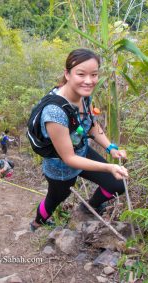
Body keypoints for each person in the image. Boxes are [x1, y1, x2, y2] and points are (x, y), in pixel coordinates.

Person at [29, 49, 129, 231]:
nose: (89, 81)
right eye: (81, 74)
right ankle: (38, 222)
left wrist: (110, 148)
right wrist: (109, 166)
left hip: (81, 151)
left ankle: (89, 207)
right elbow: (69, 159)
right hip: (61, 167)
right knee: (56, 198)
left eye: (94, 75)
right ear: (67, 74)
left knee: (116, 184)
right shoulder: (54, 112)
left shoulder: (84, 95)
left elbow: (90, 124)